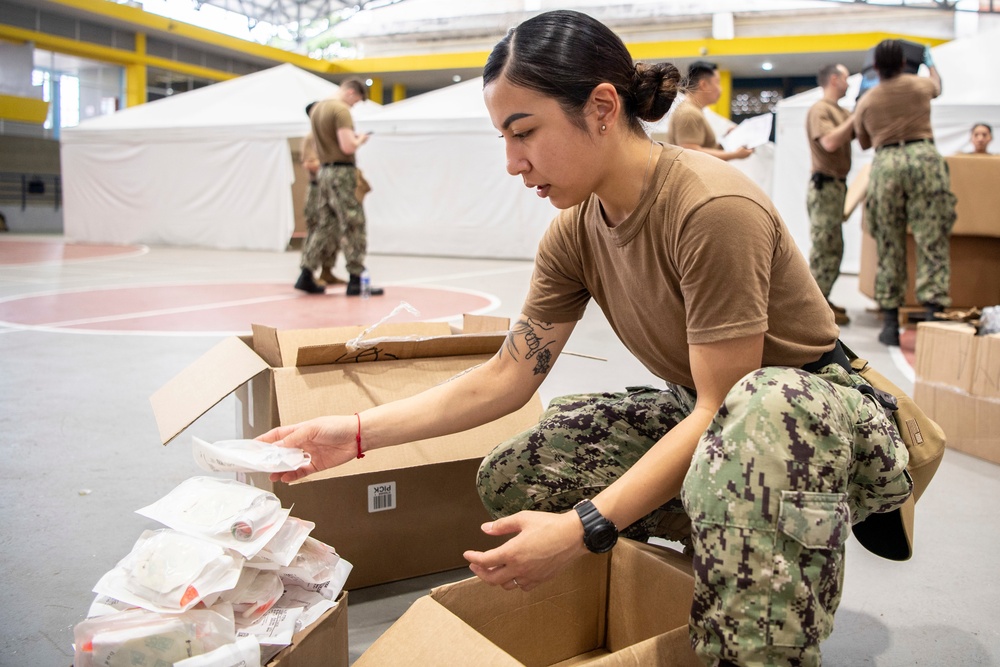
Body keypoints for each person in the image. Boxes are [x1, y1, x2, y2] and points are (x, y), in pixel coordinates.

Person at [261, 11, 911, 666]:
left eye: (525, 133)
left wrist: (584, 528)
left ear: (602, 106)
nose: (514, 163)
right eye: (504, 138)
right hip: (717, 419)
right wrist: (355, 433)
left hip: (807, 415)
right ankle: (735, 541)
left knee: (760, 416)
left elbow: (727, 406)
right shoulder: (576, 229)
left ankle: (769, 593)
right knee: (520, 473)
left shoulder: (710, 208)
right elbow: (506, 376)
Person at [854, 40, 956, 346]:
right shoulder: (918, 84)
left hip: (886, 164)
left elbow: (862, 142)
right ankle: (932, 314)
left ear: (875, 68)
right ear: (902, 62)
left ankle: (889, 325)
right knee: (931, 237)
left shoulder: (868, 100)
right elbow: (938, 86)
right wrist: (930, 63)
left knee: (888, 242)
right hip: (923, 156)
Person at [295, 78, 384, 296]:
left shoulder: (318, 110)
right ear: (352, 93)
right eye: (356, 102)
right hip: (341, 172)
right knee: (353, 222)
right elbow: (346, 146)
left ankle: (306, 272)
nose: (353, 106)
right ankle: (356, 278)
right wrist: (359, 140)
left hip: (324, 172)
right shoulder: (340, 111)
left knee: (325, 224)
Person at [806, 64, 855, 326]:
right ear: (834, 79)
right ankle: (813, 307)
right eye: (846, 78)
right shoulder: (821, 110)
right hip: (824, 187)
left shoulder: (842, 111)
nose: (849, 83)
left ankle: (822, 299)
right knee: (825, 247)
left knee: (834, 247)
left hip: (837, 187)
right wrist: (856, 118)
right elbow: (829, 142)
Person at [664, 60, 753, 161]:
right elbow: (691, 152)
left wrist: (727, 139)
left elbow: (703, 149)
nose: (720, 90)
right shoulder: (689, 113)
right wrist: (734, 154)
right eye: (718, 83)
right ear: (704, 84)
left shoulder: (692, 110)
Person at [300, 108, 346, 287]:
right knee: (317, 230)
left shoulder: (329, 137)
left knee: (334, 231)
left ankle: (327, 271)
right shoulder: (311, 138)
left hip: (332, 189)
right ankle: (308, 271)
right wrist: (333, 167)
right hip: (317, 189)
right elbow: (309, 164)